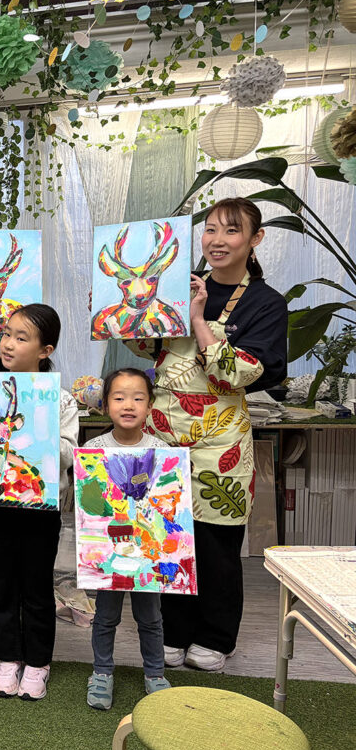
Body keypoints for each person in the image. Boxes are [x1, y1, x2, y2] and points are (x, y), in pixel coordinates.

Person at [127, 198, 287, 672]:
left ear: (255, 240)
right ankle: (174, 631)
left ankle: (216, 637)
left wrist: (198, 321)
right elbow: (148, 345)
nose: (217, 240)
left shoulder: (265, 303)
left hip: (221, 445)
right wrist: (124, 311)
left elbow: (244, 373)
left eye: (231, 231)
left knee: (217, 547)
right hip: (163, 434)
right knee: (167, 537)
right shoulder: (177, 286)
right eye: (211, 229)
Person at [0, 304, 78, 701]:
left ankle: (38, 661)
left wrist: (36, 429)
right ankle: (8, 656)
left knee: (36, 584)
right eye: (7, 333)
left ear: (44, 350)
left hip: (40, 507)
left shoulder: (61, 399)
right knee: (2, 583)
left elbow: (69, 453)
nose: (8, 343)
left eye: (21, 338)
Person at [85, 368, 172, 710]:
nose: (128, 405)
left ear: (150, 406)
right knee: (105, 616)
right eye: (119, 397)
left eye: (138, 398)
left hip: (148, 553)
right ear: (106, 405)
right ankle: (101, 672)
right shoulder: (93, 449)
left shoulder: (161, 450)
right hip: (109, 553)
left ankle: (155, 673)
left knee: (150, 617)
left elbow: (168, 503)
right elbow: (89, 501)